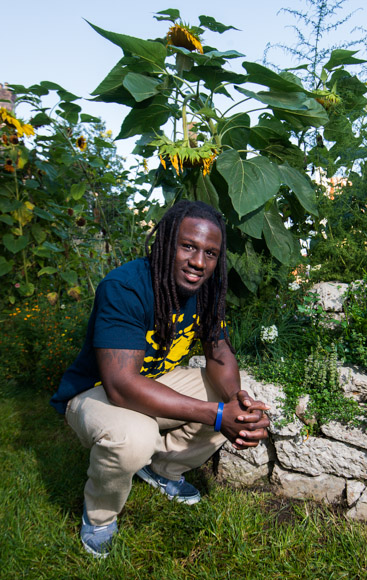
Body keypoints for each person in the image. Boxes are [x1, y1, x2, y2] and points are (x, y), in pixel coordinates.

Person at [50, 200, 270, 558]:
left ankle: (163, 469)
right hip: (96, 393)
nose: (199, 262)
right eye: (188, 246)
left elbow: (219, 353)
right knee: (133, 436)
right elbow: (121, 385)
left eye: (210, 253)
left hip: (153, 380)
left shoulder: (207, 290)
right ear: (166, 242)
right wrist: (215, 415)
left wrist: (236, 402)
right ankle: (101, 515)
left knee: (233, 401)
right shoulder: (125, 286)